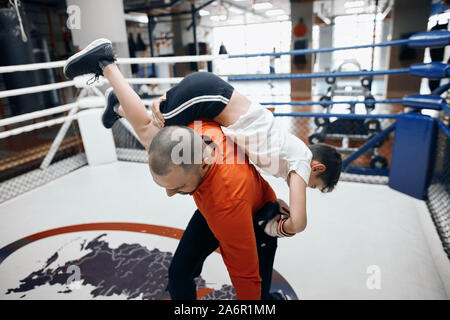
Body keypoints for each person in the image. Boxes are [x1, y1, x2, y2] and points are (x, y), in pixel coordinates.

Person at [64, 38, 290, 300]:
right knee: (179, 274)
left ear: (204, 164)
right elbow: (153, 131)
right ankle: (112, 85)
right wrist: (157, 99)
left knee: (257, 295)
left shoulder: (226, 205)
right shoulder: (193, 132)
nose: (170, 194)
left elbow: (245, 277)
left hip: (254, 217)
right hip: (215, 202)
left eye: (178, 187)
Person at [103, 63, 342, 239]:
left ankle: (119, 107)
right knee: (149, 136)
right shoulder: (302, 160)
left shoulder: (290, 152)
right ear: (317, 168)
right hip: (207, 95)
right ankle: (108, 67)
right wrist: (277, 228)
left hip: (207, 96)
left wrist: (273, 203)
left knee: (154, 130)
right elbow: (299, 223)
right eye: (312, 184)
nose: (303, 186)